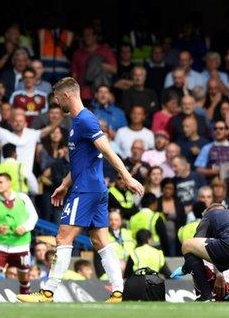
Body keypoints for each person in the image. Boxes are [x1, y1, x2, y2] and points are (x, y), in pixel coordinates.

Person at [16, 77, 144, 304]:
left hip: (86, 191)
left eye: (57, 99)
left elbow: (107, 151)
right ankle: (118, 291)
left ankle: (48, 292)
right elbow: (81, 162)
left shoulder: (85, 120)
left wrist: (127, 177)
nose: (56, 103)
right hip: (92, 188)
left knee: (63, 237)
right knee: (100, 240)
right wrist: (65, 185)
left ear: (67, 96)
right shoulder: (78, 122)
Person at [171, 204, 229, 302]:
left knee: (187, 245)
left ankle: (206, 297)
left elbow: (195, 246)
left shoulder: (208, 216)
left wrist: (185, 268)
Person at [0, 173, 39, 301]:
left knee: (24, 277)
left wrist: (25, 227)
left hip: (21, 245)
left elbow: (34, 216)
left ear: (9, 183)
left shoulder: (23, 198)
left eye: (0, 182)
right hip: (1, 245)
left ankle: (26, 303)